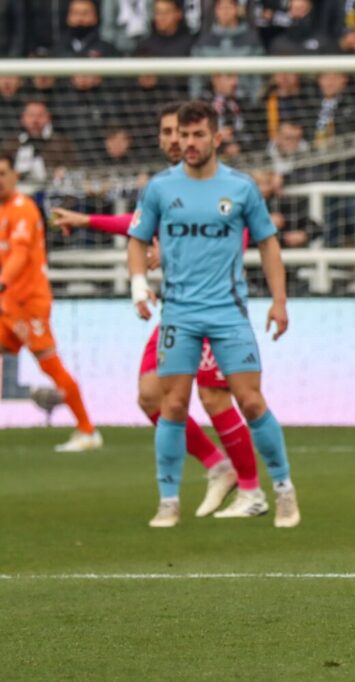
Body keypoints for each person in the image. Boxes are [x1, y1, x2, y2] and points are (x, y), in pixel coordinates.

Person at [50, 102, 267, 521]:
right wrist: (86, 220)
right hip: (176, 310)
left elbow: (233, 239)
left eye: (181, 132)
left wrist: (168, 250)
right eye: (168, 132)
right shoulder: (165, 187)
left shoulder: (225, 186)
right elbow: (135, 226)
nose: (174, 140)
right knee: (150, 397)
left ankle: (252, 491)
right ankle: (217, 465)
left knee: (214, 395)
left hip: (214, 305)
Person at [126, 100, 298, 529]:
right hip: (179, 314)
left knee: (252, 402)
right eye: (182, 135)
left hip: (228, 313)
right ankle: (168, 501)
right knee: (172, 404)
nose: (188, 143)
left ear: (216, 138)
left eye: (197, 135)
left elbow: (269, 244)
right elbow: (136, 238)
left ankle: (283, 491)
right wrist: (137, 286)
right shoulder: (161, 188)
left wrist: (279, 301)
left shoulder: (240, 188)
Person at [0, 154, 101, 452]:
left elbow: (19, 255)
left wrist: (2, 281)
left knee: (50, 365)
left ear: (15, 176)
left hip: (29, 301)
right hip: (6, 302)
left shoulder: (23, 209)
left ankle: (87, 430)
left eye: (3, 173)